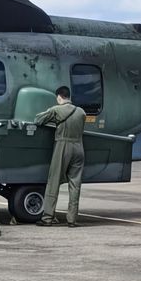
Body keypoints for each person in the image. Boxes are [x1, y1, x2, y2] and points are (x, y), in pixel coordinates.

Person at [33, 85, 87, 227]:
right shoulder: (81, 112)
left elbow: (38, 120)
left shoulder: (57, 110)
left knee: (54, 181)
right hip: (79, 147)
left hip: (63, 146)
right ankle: (72, 219)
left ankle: (47, 218)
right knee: (75, 184)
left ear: (59, 97)